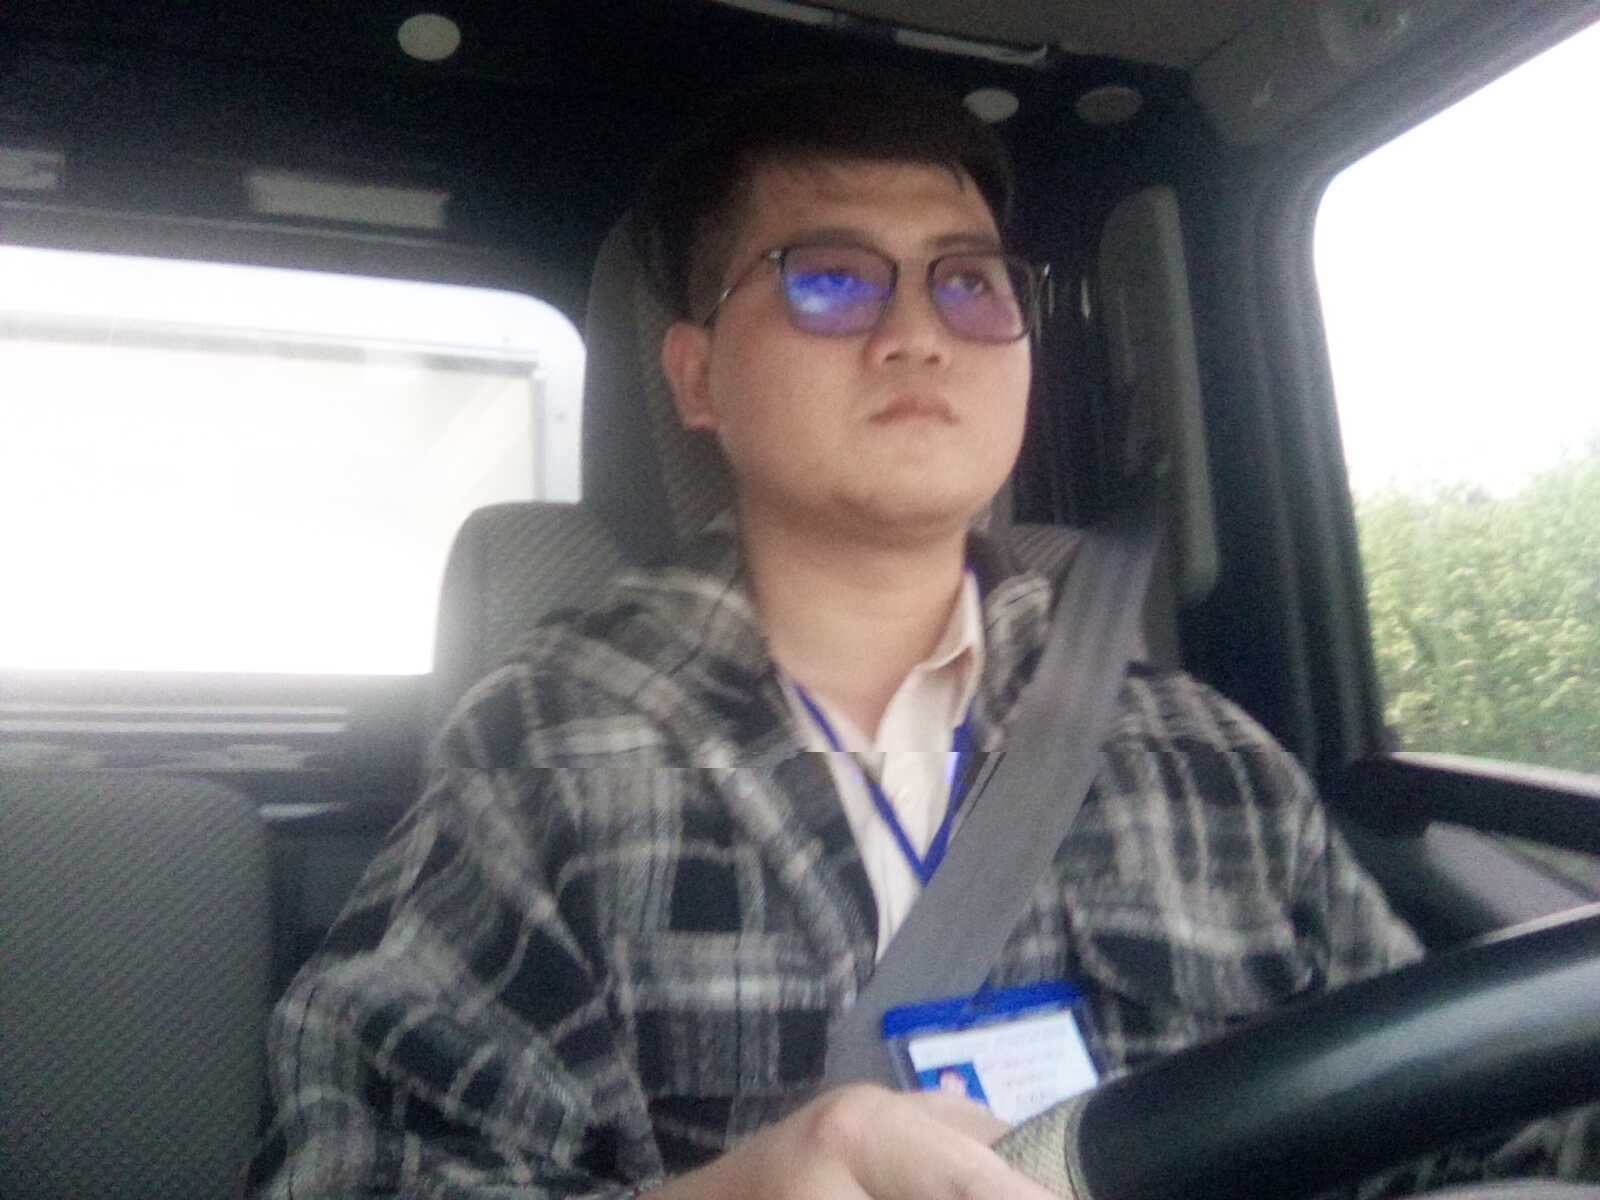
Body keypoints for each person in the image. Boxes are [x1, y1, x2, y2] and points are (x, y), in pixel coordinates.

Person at [245, 74, 1433, 1199]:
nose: (919, 333)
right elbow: (353, 1171)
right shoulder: (547, 749)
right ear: (696, 377)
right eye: (828, 280)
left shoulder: (1207, 758)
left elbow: (1445, 1116)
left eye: (971, 284)